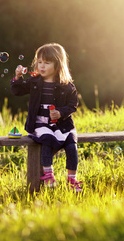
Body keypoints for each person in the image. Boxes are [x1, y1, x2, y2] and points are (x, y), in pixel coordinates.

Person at [10, 43, 82, 192]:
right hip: (40, 124)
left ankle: (72, 179)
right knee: (47, 140)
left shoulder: (67, 86)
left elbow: (73, 105)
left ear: (58, 65)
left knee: (71, 145)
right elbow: (18, 91)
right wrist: (17, 77)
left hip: (62, 124)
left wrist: (61, 112)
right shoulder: (34, 81)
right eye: (39, 62)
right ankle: (48, 174)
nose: (41, 66)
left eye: (47, 63)